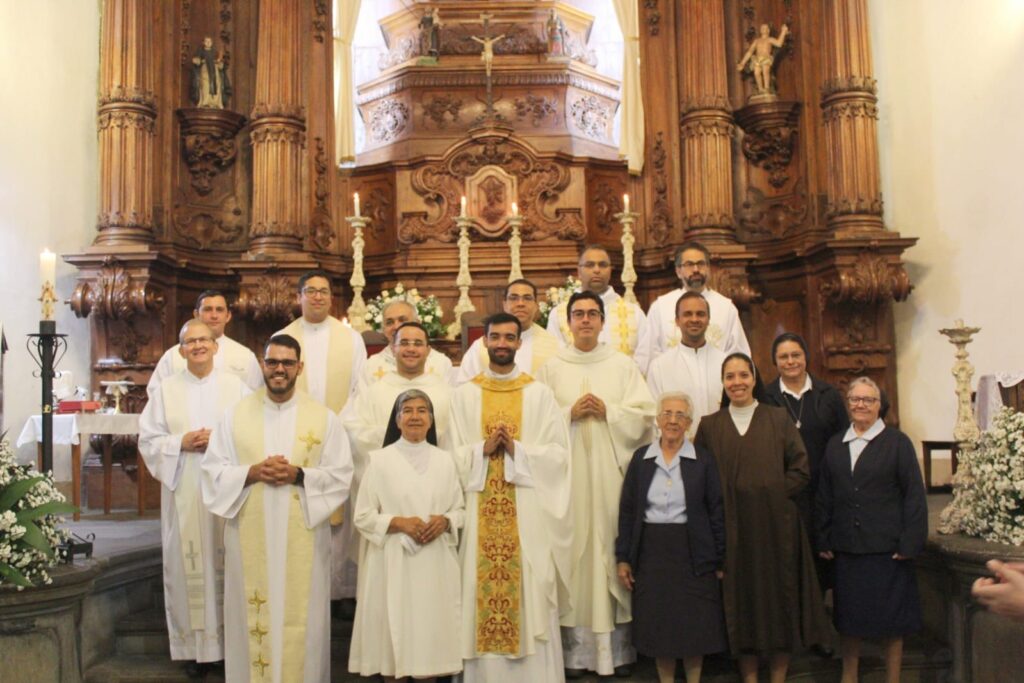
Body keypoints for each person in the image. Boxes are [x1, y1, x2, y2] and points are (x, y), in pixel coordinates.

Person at [201, 334, 353, 683]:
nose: (279, 369)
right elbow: (212, 471)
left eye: (287, 363)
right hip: (249, 534)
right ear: (262, 365)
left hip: (303, 537)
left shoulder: (324, 418)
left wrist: (298, 474)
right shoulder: (235, 416)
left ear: (300, 367)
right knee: (251, 618)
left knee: (304, 620)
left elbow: (341, 474)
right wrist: (252, 472)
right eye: (272, 362)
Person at [537, 291, 655, 678]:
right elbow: (535, 425)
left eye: (592, 314)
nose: (585, 320)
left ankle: (614, 653)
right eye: (578, 314)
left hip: (609, 478)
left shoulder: (622, 366)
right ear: (567, 322)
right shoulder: (551, 368)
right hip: (567, 479)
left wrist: (612, 412)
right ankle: (574, 654)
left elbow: (644, 418)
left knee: (609, 548)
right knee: (571, 552)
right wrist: (567, 413)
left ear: (603, 321)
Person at [449, 312, 572, 682]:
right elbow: (449, 456)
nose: (502, 343)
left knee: (528, 590)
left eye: (509, 337)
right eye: (495, 337)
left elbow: (559, 456)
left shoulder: (539, 394)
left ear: (520, 343)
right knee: (476, 590)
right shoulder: (464, 394)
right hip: (477, 511)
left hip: (527, 514)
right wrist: (480, 450)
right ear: (483, 341)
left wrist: (519, 450)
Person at [694, 353, 830, 683]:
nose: (737, 382)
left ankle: (779, 678)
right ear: (723, 383)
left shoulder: (777, 418)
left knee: (779, 604)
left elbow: (800, 469)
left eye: (743, 375)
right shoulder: (710, 425)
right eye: (730, 376)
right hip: (732, 532)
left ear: (754, 379)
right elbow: (701, 478)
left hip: (776, 530)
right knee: (744, 608)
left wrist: (769, 492)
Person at [138, 320, 250, 677]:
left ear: (216, 346)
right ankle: (194, 650)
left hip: (226, 488)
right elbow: (148, 441)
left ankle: (230, 646)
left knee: (229, 563)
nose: (198, 346)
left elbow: (251, 433)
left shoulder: (237, 388)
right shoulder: (167, 391)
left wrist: (220, 443)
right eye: (190, 341)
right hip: (184, 482)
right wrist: (180, 443)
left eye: (204, 340)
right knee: (185, 564)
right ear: (181, 349)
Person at [816, 376, 927, 683]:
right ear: (847, 404)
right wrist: (823, 536)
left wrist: (909, 543)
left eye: (868, 400)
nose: (861, 405)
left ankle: (893, 679)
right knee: (849, 622)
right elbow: (825, 494)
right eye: (855, 399)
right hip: (848, 549)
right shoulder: (836, 444)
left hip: (887, 550)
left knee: (892, 622)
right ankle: (848, 677)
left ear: (880, 406)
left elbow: (914, 496)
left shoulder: (898, 442)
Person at [349, 390, 465, 681]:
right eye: (408, 411)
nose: (415, 416)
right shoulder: (379, 461)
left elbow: (461, 510)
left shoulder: (445, 461)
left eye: (422, 410)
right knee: (393, 648)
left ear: (431, 420)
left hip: (434, 565)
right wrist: (398, 522)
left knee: (430, 648)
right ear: (397, 420)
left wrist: (446, 520)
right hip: (392, 563)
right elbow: (362, 515)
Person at [616, 392, 727, 683]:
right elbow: (627, 511)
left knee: (694, 627)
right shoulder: (641, 459)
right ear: (658, 419)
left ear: (689, 423)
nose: (673, 420)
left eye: (680, 415)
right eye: (667, 414)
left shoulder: (703, 459)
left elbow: (716, 510)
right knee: (660, 627)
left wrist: (719, 556)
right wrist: (623, 558)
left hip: (693, 552)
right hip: (651, 553)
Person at [275, 268, 367, 602]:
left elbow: (361, 387)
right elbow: (274, 384)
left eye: (324, 291)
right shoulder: (283, 337)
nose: (317, 297)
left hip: (340, 432)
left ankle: (339, 592)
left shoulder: (350, 338)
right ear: (299, 297)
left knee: (338, 509)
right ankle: (304, 587)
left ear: (331, 297)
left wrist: (337, 424)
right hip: (296, 435)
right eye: (311, 291)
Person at [763, 333, 849, 605]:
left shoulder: (828, 395)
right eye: (784, 357)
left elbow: (843, 440)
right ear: (775, 362)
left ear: (806, 357)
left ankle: (823, 627)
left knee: (823, 560)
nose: (791, 362)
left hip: (825, 491)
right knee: (791, 560)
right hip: (787, 492)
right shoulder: (767, 397)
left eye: (796, 355)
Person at [635, 241, 750, 373]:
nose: (696, 269)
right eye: (689, 264)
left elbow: (738, 354)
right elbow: (649, 355)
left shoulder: (726, 308)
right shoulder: (660, 307)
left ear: (708, 268)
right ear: (678, 271)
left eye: (701, 264)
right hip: (673, 383)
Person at [148, 290, 262, 395]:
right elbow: (156, 394)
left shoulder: (245, 356)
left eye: (219, 310)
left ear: (228, 316)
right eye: (208, 309)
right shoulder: (173, 356)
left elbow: (256, 396)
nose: (214, 316)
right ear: (196, 314)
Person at [546, 245, 646, 364]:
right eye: (590, 265)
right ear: (579, 271)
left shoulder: (634, 313)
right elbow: (554, 358)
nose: (597, 270)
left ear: (610, 271)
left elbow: (645, 357)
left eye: (602, 265)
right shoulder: (559, 314)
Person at [646, 292, 726, 437]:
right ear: (677, 321)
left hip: (721, 446)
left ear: (708, 320)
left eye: (700, 314)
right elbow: (654, 417)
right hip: (678, 450)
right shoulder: (659, 366)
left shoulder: (724, 363)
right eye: (687, 314)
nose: (694, 319)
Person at [455, 279, 558, 384]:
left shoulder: (554, 346)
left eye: (527, 298)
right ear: (504, 305)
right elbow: (464, 388)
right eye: (513, 298)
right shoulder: (479, 347)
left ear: (536, 306)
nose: (520, 303)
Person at [358, 299, 453, 391]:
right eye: (390, 322)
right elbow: (360, 404)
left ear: (417, 323)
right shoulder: (370, 366)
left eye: (402, 320)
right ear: (383, 329)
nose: (396, 326)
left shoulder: (441, 363)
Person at [736, 23, 790, 96]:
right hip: (757, 59)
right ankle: (760, 89)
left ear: (768, 30)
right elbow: (750, 52)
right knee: (756, 73)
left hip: (766, 58)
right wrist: (742, 63)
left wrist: (783, 32)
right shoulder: (757, 41)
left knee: (765, 71)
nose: (763, 29)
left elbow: (779, 43)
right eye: (762, 28)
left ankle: (767, 88)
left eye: (765, 28)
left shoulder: (770, 39)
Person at [191, 36, 231, 109]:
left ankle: (215, 102)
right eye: (206, 41)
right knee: (205, 84)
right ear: (204, 42)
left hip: (214, 70)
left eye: (210, 41)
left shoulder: (215, 52)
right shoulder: (200, 51)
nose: (208, 43)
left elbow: (220, 62)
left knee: (217, 84)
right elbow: (196, 60)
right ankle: (205, 102)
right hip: (205, 69)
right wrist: (198, 61)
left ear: (212, 43)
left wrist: (219, 62)